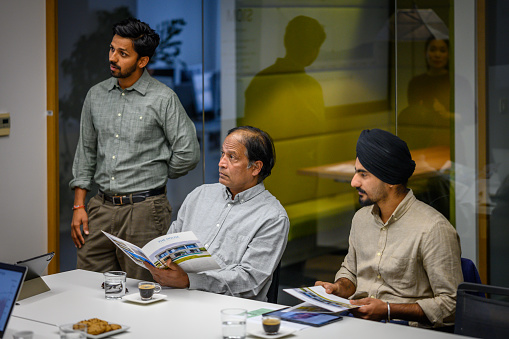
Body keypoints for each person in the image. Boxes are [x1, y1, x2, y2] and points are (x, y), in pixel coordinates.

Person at [69, 17, 200, 281]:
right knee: (86, 283)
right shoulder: (96, 95)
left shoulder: (163, 99)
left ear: (142, 61)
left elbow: (188, 152)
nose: (113, 57)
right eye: (112, 49)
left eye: (123, 53)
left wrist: (156, 170)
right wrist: (79, 205)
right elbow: (86, 152)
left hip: (144, 211)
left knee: (145, 288)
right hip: (100, 207)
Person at [315, 129, 462, 328]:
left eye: (363, 174)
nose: (353, 182)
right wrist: (338, 287)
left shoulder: (433, 228)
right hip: (358, 325)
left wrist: (389, 309)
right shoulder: (361, 219)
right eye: (355, 172)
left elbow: (452, 305)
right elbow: (350, 271)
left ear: (391, 180)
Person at [145, 126, 289, 301]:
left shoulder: (272, 217)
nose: (221, 162)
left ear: (256, 168)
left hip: (229, 309)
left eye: (232, 157)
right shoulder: (200, 194)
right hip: (176, 296)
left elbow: (249, 281)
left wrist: (189, 281)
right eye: (222, 154)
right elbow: (170, 243)